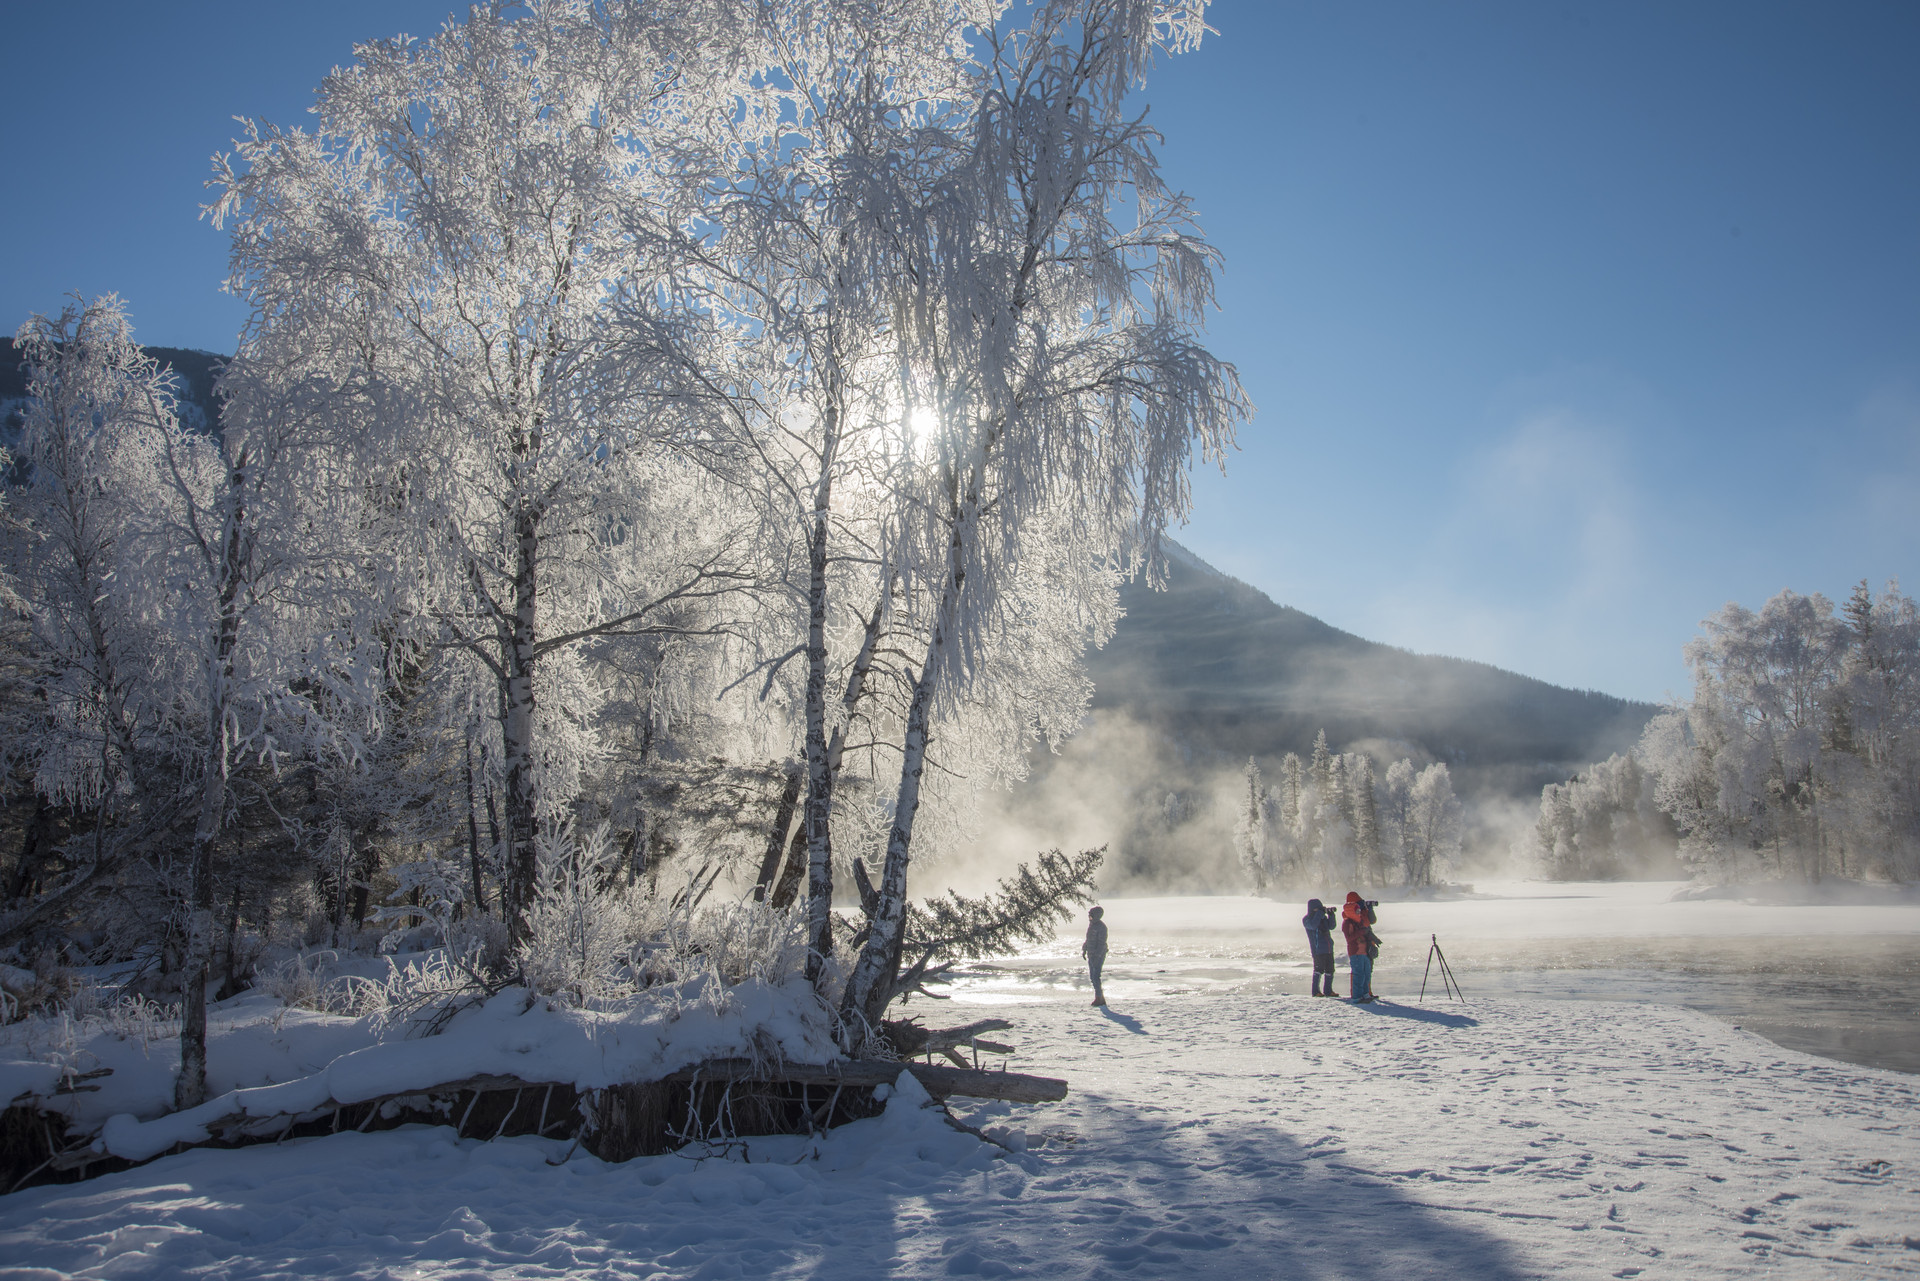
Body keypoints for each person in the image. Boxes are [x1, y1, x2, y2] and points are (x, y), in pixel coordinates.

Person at [1341, 891, 1381, 1002]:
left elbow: (1371, 921)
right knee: (1359, 973)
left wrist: (1370, 909)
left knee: (1367, 971)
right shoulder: (1349, 921)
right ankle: (1358, 995)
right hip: (1357, 950)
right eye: (1359, 904)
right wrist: (1362, 932)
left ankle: (1367, 993)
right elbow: (1351, 937)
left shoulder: (1361, 916)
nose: (1361, 906)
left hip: (1366, 945)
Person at [1302, 898, 1337, 997]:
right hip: (1318, 950)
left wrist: (1331, 915)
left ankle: (1328, 990)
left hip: (1328, 948)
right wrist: (1319, 914)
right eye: (1318, 909)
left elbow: (1332, 926)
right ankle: (1315, 991)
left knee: (1330, 970)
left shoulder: (1322, 918)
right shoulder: (1307, 919)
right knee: (1318, 970)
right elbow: (1313, 926)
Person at [1082, 906, 1109, 1006]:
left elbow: (1102, 943)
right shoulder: (1091, 925)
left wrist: (1097, 956)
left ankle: (1099, 998)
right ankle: (1100, 997)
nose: (1089, 917)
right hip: (1091, 954)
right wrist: (1084, 949)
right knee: (1092, 977)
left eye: (1091, 916)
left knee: (1095, 976)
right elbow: (1088, 939)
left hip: (1098, 955)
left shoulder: (1101, 927)